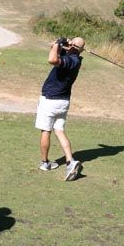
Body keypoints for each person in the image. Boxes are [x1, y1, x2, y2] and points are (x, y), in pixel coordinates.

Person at [36, 36, 85, 181]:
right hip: (62, 102)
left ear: (75, 48)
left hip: (51, 100)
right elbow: (52, 47)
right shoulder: (73, 57)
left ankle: (45, 163)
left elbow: (51, 59)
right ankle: (70, 161)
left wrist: (59, 43)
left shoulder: (72, 61)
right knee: (59, 130)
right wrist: (60, 42)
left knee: (46, 130)